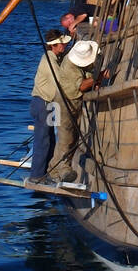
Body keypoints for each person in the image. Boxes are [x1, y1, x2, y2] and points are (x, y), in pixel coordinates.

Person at [48, 39, 99, 186]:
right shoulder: (70, 66)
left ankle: (54, 169)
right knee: (66, 136)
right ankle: (61, 169)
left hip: (73, 101)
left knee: (73, 137)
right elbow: (82, 86)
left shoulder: (76, 61)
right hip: (63, 102)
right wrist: (98, 77)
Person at [25, 30, 70, 188]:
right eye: (62, 43)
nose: (64, 45)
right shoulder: (49, 59)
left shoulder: (54, 58)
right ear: (54, 46)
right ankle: (36, 176)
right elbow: (61, 81)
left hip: (48, 104)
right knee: (43, 140)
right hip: (43, 104)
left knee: (50, 139)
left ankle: (45, 173)